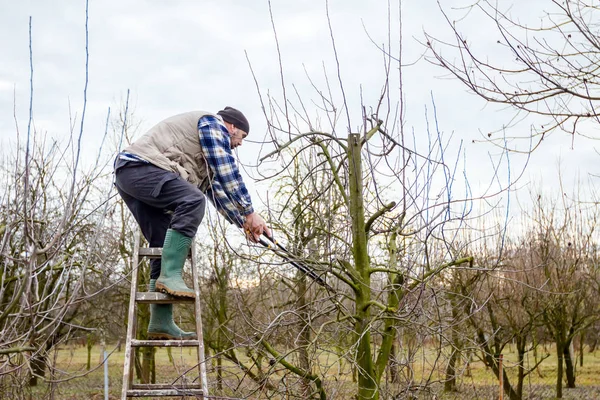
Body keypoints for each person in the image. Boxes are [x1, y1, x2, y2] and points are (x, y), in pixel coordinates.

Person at [114, 107, 270, 340]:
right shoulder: (212, 125)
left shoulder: (207, 154)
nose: (240, 144)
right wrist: (250, 211)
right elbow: (227, 171)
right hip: (140, 167)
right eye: (242, 137)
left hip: (131, 175)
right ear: (232, 127)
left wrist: (244, 223)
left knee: (162, 239)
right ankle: (171, 276)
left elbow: (216, 193)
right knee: (193, 200)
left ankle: (160, 322)